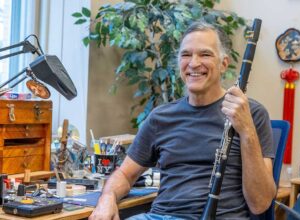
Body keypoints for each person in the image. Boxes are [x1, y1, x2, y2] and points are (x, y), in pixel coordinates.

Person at [89, 21, 276, 220]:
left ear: (224, 64)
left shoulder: (251, 113)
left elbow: (260, 203)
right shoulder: (161, 117)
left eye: (205, 54)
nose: (194, 63)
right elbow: (125, 175)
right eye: (186, 54)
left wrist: (246, 129)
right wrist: (106, 199)